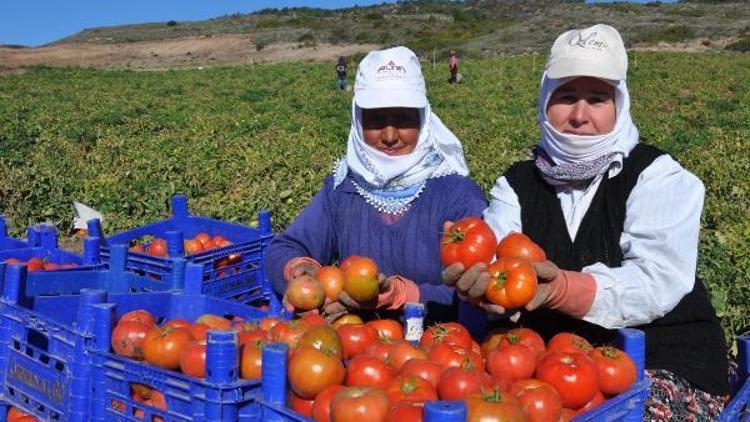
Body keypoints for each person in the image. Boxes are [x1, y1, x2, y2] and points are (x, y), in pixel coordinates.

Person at [442, 24, 728, 419]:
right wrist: (486, 290)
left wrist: (563, 288)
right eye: (566, 97)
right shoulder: (517, 184)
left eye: (597, 99)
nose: (579, 115)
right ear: (545, 102)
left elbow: (656, 279)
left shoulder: (657, 176)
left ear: (619, 105)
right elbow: (497, 257)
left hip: (665, 360)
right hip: (553, 368)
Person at [265, 46, 487, 327]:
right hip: (357, 352)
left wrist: (403, 295)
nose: (390, 135)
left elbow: (481, 293)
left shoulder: (456, 194)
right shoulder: (343, 189)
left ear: (423, 120)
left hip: (441, 355)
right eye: (376, 120)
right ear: (359, 122)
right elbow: (284, 247)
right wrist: (301, 271)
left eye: (404, 119)